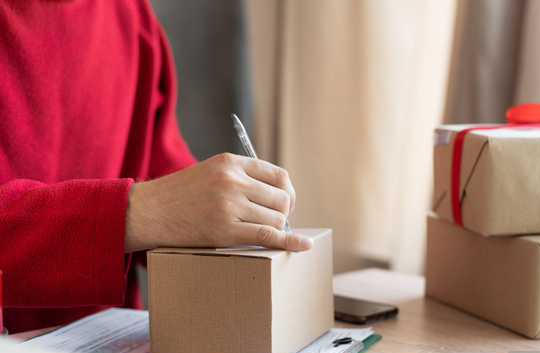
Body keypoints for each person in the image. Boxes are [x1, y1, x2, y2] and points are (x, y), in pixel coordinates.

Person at [0, 0, 313, 334]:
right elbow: (159, 202)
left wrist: (227, 220)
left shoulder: (129, 13)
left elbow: (162, 167)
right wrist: (136, 214)